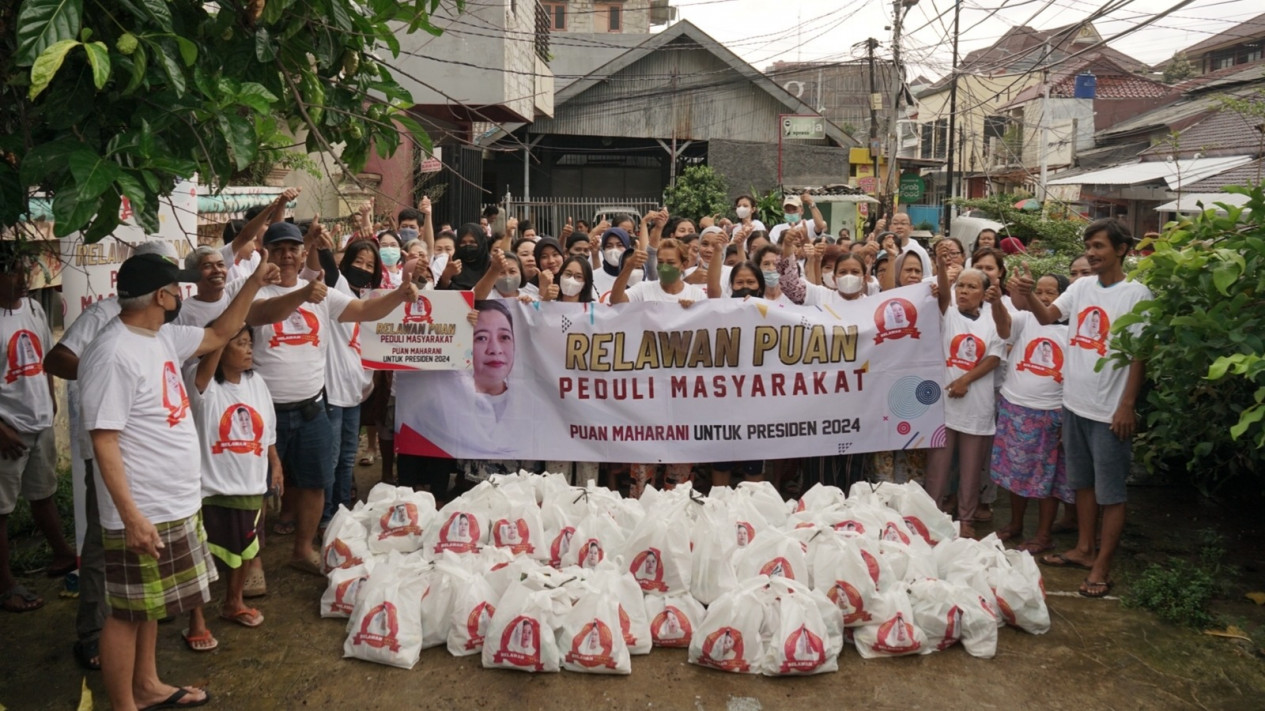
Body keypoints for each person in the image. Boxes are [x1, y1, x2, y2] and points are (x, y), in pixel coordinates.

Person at [79, 249, 278, 711]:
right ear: (162, 295)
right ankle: (124, 704)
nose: (182, 293)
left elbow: (221, 331)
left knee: (148, 606)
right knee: (127, 612)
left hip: (174, 501)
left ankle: (147, 685)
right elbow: (103, 441)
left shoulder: (160, 337)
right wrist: (130, 516)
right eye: (177, 287)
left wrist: (253, 284)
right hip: (143, 506)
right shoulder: (113, 352)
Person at [249, 221, 419, 575]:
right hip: (263, 412)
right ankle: (251, 562)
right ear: (265, 253)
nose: (286, 256)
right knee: (256, 489)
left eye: (292, 249)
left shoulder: (320, 294)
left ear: (301, 253)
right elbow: (266, 315)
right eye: (277, 249)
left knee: (316, 482)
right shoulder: (253, 291)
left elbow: (363, 311)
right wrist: (302, 294)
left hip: (312, 407)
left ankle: (303, 549)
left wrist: (398, 296)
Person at [1014, 219, 1151, 599]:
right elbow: (1047, 318)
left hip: (1110, 412)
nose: (1091, 253)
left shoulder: (1137, 295)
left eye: (1099, 246)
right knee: (1083, 484)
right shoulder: (1081, 287)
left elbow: (1140, 355)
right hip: (1074, 405)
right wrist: (1026, 295)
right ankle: (1084, 548)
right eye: (1088, 246)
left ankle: (1103, 565)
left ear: (1121, 249)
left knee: (1111, 492)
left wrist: (1126, 406)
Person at [182, 325, 282, 652]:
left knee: (244, 550)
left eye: (250, 343)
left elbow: (267, 433)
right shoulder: (204, 384)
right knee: (200, 556)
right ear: (220, 350)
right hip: (210, 488)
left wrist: (275, 465)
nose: (249, 349)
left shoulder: (258, 384)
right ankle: (196, 621)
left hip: (250, 484)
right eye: (240, 343)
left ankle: (233, 603)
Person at [1, 246, 76, 616]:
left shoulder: (32, 308)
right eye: (12, 272)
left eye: (23, 270)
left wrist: (50, 401)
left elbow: (45, 359)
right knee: (1, 509)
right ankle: (6, 584)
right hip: (8, 428)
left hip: (40, 419)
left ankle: (63, 554)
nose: (21, 279)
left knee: (43, 492)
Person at [923, 251, 1009, 538]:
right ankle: (931, 517)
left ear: (985, 293)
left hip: (977, 406)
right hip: (944, 406)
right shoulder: (946, 314)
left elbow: (995, 357)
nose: (964, 291)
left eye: (972, 287)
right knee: (938, 468)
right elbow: (943, 296)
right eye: (961, 285)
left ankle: (966, 519)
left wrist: (964, 381)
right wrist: (940, 265)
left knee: (972, 470)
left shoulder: (992, 320)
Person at [992, 272, 1073, 554]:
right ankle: (1015, 524)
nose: (1044, 296)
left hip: (1050, 415)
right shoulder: (1026, 319)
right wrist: (996, 302)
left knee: (1046, 480)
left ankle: (1043, 533)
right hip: (1014, 406)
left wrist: (1067, 417)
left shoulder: (1072, 331)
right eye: (1039, 291)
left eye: (1051, 292)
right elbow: (1004, 329)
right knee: (1016, 473)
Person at [610, 240, 706, 306]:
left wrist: (693, 310)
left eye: (670, 263)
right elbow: (616, 301)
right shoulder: (643, 289)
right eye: (660, 262)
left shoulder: (698, 295)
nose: (664, 267)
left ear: (684, 265)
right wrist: (629, 266)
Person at [593, 227, 634, 301]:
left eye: (620, 245)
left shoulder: (636, 276)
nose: (614, 249)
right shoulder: (592, 277)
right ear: (603, 249)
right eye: (609, 246)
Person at [888, 212, 933, 278]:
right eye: (895, 223)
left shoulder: (920, 252)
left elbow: (927, 277)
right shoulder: (884, 249)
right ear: (890, 228)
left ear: (911, 228)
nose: (899, 227)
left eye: (903, 223)